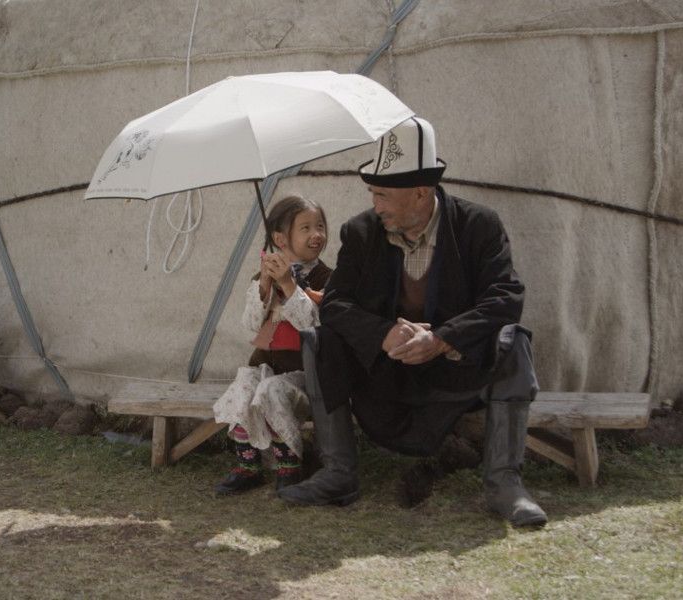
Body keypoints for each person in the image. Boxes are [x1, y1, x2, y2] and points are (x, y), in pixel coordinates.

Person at [277, 117, 548, 527]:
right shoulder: (361, 232)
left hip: (457, 373)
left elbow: (506, 297)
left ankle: (504, 483)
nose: (376, 205)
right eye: (373, 194)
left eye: (383, 195)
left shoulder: (479, 226)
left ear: (421, 193)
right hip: (387, 377)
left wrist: (442, 339)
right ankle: (338, 474)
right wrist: (383, 333)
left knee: (515, 340)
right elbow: (335, 304)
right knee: (321, 338)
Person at [212, 196, 332, 496]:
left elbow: (313, 325)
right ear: (280, 238)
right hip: (265, 364)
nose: (316, 234)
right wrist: (265, 284)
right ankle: (247, 466)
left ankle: (289, 466)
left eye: (320, 226)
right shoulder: (262, 276)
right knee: (244, 384)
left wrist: (290, 286)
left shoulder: (328, 277)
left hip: (306, 373)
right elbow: (251, 324)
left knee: (271, 391)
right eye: (305, 228)